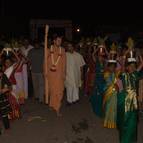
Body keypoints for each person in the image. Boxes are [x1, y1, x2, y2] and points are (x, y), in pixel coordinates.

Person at [117, 38, 143, 143]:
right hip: (125, 101)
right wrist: (127, 52)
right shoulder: (123, 74)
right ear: (127, 67)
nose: (132, 68)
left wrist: (137, 53)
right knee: (125, 122)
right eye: (130, 66)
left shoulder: (135, 74)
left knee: (133, 124)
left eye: (133, 66)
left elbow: (142, 63)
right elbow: (123, 62)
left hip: (134, 103)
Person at [45, 35, 66, 117]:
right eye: (58, 40)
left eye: (60, 41)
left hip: (60, 75)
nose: (59, 42)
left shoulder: (63, 50)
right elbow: (45, 62)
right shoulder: (48, 50)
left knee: (60, 92)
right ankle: (52, 105)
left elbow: (64, 63)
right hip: (51, 75)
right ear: (54, 41)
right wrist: (45, 72)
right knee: (52, 92)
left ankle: (57, 109)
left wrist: (64, 73)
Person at [90, 42, 107, 118]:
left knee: (102, 95)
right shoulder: (96, 61)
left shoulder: (105, 63)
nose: (101, 57)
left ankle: (101, 110)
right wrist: (98, 48)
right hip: (97, 80)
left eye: (102, 56)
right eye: (99, 56)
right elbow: (93, 54)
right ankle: (96, 110)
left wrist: (105, 48)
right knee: (96, 95)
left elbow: (109, 56)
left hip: (103, 80)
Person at [0, 66, 11, 131]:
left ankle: (7, 127)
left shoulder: (4, 76)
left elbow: (10, 86)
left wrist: (6, 89)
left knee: (4, 113)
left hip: (2, 97)